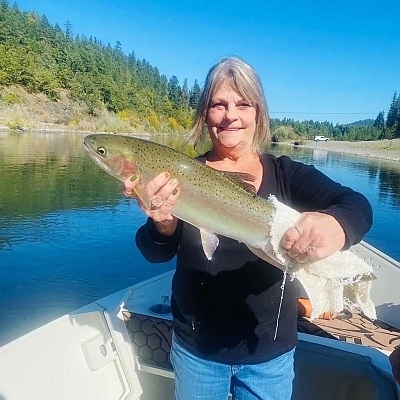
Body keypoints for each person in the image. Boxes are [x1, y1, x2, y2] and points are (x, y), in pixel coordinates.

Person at [123, 57, 373, 400]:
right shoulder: (178, 174)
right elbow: (155, 252)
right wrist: (163, 222)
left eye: (243, 104)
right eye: (218, 105)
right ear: (204, 114)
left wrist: (336, 225)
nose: (231, 116)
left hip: (269, 352)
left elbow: (358, 205)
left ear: (259, 113)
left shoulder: (286, 175)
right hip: (196, 349)